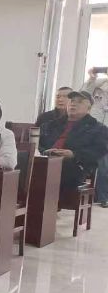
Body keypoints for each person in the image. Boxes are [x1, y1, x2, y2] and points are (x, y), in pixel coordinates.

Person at [40, 90, 108, 194]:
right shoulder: (50, 125)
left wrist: (74, 154)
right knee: (23, 160)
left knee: (62, 166)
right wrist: (44, 152)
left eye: (80, 101)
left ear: (89, 108)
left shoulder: (98, 129)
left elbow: (98, 151)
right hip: (44, 160)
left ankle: (50, 201)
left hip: (75, 165)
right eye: (72, 101)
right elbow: (37, 143)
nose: (73, 104)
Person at [81, 67, 108, 205]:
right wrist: (92, 77)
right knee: (102, 163)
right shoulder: (99, 84)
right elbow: (84, 94)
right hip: (96, 130)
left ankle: (103, 196)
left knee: (104, 164)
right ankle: (102, 197)